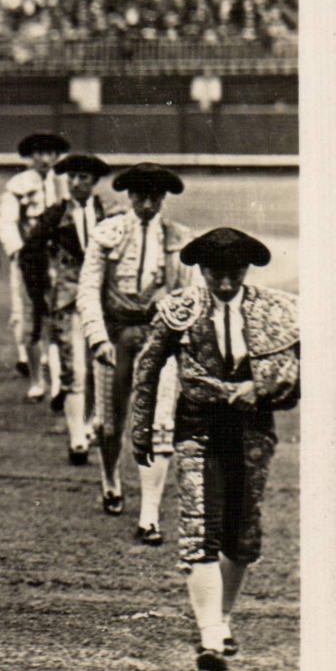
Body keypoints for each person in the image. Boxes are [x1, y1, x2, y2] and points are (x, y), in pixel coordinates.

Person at [129, 229, 298, 671]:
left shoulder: (275, 309)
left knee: (242, 533)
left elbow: (304, 373)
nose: (224, 284)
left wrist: (258, 388)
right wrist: (141, 431)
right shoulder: (180, 309)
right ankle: (209, 638)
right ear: (201, 270)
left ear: (247, 270)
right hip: (196, 426)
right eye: (214, 274)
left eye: (234, 273)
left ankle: (222, 619)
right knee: (199, 527)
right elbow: (148, 368)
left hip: (252, 430)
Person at [78, 163, 191, 542]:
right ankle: (110, 477)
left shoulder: (177, 238)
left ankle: (149, 515)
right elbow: (89, 290)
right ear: (129, 197)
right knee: (111, 424)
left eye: (155, 197)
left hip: (158, 339)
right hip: (114, 334)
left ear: (163, 199)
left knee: (160, 425)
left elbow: (188, 297)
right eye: (140, 196)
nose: (147, 204)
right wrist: (97, 337)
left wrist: (170, 300)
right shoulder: (107, 233)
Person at [25, 153, 110, 466]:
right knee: (75, 368)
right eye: (71, 177)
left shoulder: (109, 215)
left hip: (103, 302)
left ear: (94, 182)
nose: (76, 183)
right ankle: (77, 437)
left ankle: (90, 424)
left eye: (83, 178)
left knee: (99, 366)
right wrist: (41, 293)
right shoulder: (54, 215)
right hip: (68, 299)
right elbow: (28, 254)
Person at [0, 132, 72, 401]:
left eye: (51, 154)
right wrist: (18, 252)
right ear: (31, 156)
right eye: (40, 153)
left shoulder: (64, 182)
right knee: (27, 311)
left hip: (58, 258)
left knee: (57, 312)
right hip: (29, 258)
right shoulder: (18, 184)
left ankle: (55, 370)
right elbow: (6, 221)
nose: (45, 159)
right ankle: (31, 365)